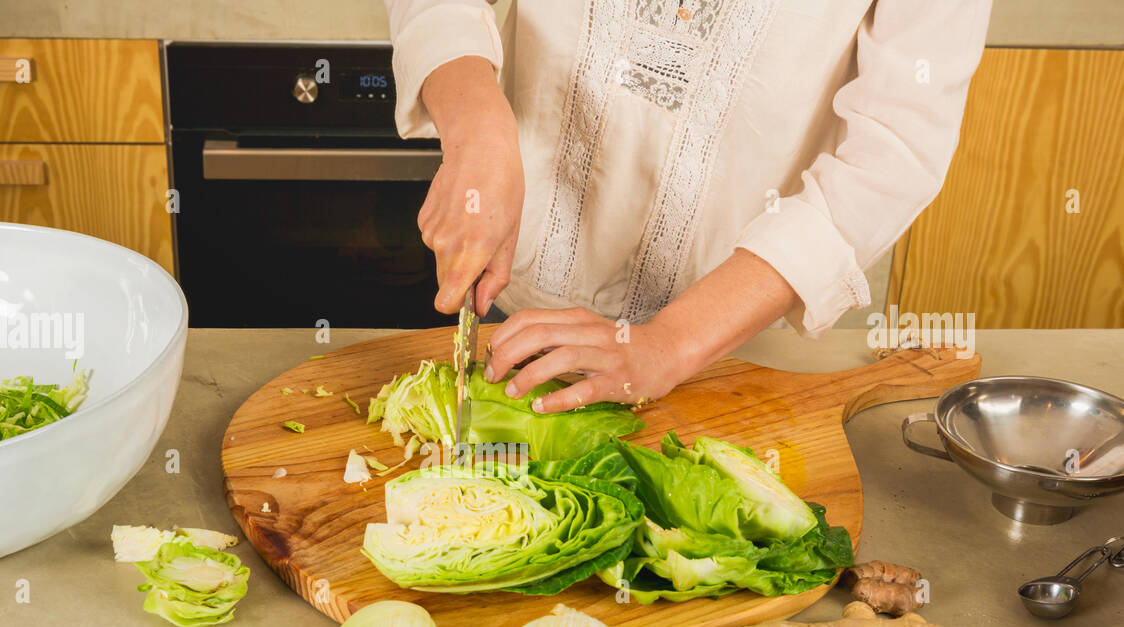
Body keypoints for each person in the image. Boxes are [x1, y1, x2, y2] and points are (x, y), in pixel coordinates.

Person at [385, 0, 992, 411]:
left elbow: (893, 148)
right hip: (511, 316)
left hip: (732, 352)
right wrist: (477, 127)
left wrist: (672, 342)